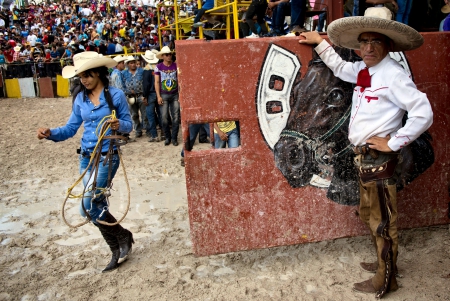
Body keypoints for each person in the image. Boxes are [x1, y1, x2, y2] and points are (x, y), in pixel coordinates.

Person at [299, 6, 433, 298]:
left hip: (380, 158)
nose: (368, 47)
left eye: (376, 41)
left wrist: (395, 142)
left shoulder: (393, 75)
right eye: (364, 42)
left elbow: (423, 112)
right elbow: (341, 68)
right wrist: (320, 43)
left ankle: (386, 280)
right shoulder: (367, 70)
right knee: (372, 214)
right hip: (366, 158)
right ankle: (384, 265)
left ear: (388, 45)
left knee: (383, 221)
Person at [36, 51, 134, 272]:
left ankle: (115, 248)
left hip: (107, 157)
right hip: (86, 158)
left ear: (98, 73)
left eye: (88, 75)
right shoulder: (80, 98)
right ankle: (122, 237)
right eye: (81, 77)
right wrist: (50, 132)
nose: (84, 80)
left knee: (87, 207)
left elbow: (129, 124)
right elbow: (71, 129)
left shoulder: (115, 96)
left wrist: (120, 125)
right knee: (91, 206)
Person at [154, 46, 180, 146]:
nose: (169, 56)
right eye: (167, 54)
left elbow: (179, 80)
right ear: (163, 56)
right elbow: (156, 82)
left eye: (170, 54)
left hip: (174, 94)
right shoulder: (158, 67)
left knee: (176, 117)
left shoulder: (176, 66)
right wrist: (158, 96)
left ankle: (173, 138)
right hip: (164, 94)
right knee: (164, 117)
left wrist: (180, 93)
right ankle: (168, 137)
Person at [123, 56, 147, 139]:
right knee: (134, 114)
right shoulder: (124, 73)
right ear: (128, 64)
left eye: (134, 62)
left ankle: (147, 129)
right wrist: (128, 91)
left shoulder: (141, 71)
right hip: (130, 96)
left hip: (141, 94)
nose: (133, 64)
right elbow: (123, 85)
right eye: (131, 63)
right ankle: (138, 130)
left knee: (144, 114)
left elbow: (145, 82)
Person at [141, 50, 161, 142]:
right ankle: (164, 133)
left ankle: (154, 135)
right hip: (159, 93)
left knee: (150, 115)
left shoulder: (146, 69)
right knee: (160, 114)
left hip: (150, 94)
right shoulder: (158, 68)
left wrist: (144, 95)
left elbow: (146, 84)